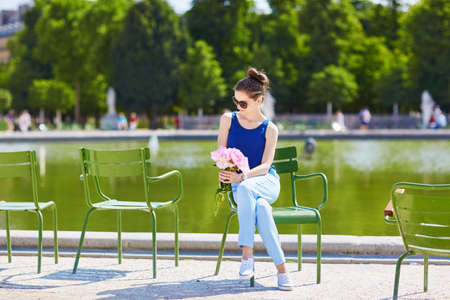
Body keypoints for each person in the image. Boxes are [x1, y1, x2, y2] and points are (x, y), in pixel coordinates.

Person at [216, 68, 293, 291]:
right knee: (262, 209)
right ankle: (282, 271)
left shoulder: (270, 129)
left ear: (258, 100)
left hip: (265, 181)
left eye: (243, 103)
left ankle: (247, 254)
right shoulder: (227, 120)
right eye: (236, 101)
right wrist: (225, 169)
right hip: (240, 186)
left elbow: (266, 166)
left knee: (249, 189)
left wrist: (243, 175)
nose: (238, 107)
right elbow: (221, 154)